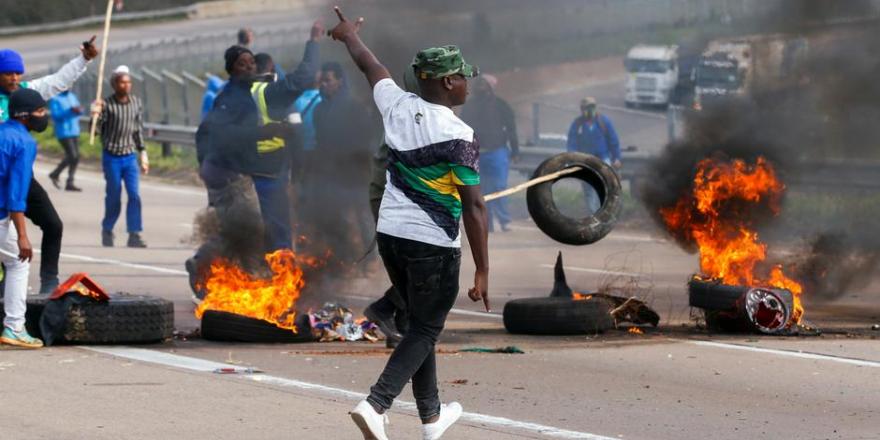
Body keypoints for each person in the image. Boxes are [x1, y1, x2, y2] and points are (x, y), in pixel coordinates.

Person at [328, 8, 489, 440]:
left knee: (420, 323)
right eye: (464, 76)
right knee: (426, 328)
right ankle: (376, 404)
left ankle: (431, 418)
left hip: (392, 237)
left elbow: (370, 65)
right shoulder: (460, 135)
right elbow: (474, 206)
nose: (468, 82)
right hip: (433, 245)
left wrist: (349, 36)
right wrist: (483, 269)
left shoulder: (396, 104)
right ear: (448, 82)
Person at [197, 21, 322, 252]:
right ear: (232, 70)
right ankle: (272, 267)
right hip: (253, 175)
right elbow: (217, 134)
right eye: (242, 63)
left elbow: (300, 79)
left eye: (251, 62)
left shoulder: (249, 91)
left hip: (258, 172)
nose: (249, 66)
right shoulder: (237, 97)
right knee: (267, 230)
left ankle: (262, 268)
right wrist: (314, 42)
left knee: (255, 231)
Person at [0, 38, 99, 294]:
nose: (14, 78)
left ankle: (49, 283)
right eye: (8, 73)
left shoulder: (26, 92)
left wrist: (84, 60)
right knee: (7, 243)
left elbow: (57, 81)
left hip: (21, 176)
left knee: (53, 225)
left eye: (17, 73)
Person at [307, 61, 377, 265]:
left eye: (328, 80)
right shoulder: (319, 110)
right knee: (339, 217)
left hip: (355, 173)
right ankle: (346, 259)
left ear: (339, 81)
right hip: (331, 173)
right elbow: (320, 141)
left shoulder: (354, 108)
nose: (323, 84)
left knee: (363, 217)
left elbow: (367, 139)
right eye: (322, 81)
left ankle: (370, 260)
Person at [0, 88, 48, 348]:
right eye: (40, 111)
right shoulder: (24, 142)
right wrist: (22, 236)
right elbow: (16, 195)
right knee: (19, 263)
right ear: (25, 115)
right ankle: (15, 327)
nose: (44, 115)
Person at [92, 66, 148, 248]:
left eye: (128, 82)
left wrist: (143, 153)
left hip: (130, 157)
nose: (126, 85)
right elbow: (95, 131)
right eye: (122, 82)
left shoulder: (136, 103)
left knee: (134, 195)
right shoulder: (106, 105)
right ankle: (107, 229)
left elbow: (138, 130)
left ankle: (134, 234)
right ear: (114, 84)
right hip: (111, 157)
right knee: (114, 195)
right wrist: (95, 114)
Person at [460, 74, 518, 232]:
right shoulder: (469, 106)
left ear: (491, 87)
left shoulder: (501, 105)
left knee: (499, 186)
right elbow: (461, 129)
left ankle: (504, 220)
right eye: (479, 83)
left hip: (497, 152)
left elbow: (511, 128)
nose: (480, 86)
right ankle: (488, 221)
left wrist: (515, 150)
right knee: (480, 189)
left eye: (484, 83)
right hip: (475, 153)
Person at [565, 97, 621, 213]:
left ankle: (606, 212)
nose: (590, 110)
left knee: (605, 186)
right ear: (582, 109)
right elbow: (572, 143)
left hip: (602, 159)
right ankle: (594, 214)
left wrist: (617, 157)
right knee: (589, 189)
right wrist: (572, 159)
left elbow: (613, 141)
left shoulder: (603, 122)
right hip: (585, 161)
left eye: (592, 107)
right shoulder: (577, 124)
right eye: (587, 108)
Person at [48, 89, 83, 191]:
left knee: (76, 157)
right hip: (63, 132)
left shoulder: (72, 96)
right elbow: (55, 116)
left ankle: (69, 181)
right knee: (73, 155)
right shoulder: (55, 99)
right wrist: (70, 111)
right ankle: (56, 174)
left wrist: (79, 110)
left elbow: (79, 110)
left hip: (74, 130)